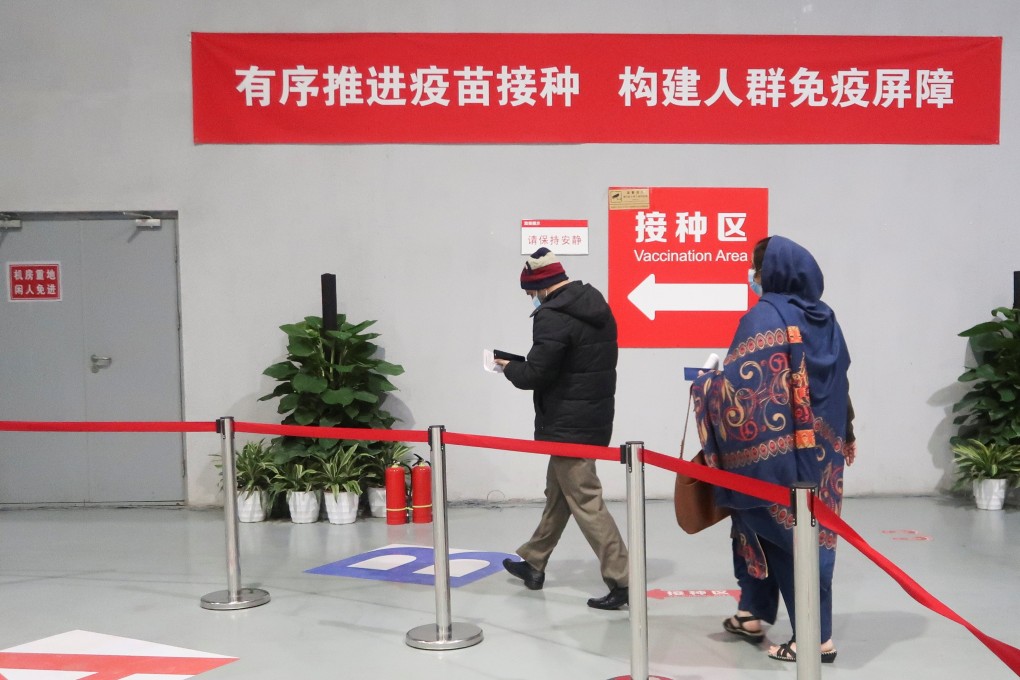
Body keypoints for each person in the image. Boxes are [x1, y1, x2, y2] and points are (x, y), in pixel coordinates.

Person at [691, 236, 856, 663]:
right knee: (780, 530)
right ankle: (752, 611)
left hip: (777, 455)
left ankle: (815, 638)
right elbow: (840, 381)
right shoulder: (825, 319)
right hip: (824, 451)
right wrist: (848, 432)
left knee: (785, 536)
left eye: (755, 268)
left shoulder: (764, 317)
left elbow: (740, 395)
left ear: (772, 273)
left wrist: (705, 384)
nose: (752, 275)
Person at [495, 247, 630, 610]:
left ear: (541, 285)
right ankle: (534, 562)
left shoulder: (553, 316)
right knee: (558, 494)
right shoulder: (594, 305)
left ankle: (622, 580)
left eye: (529, 291)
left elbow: (537, 375)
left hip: (568, 425)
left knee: (586, 501)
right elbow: (568, 364)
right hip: (591, 418)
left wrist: (506, 367)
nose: (530, 298)